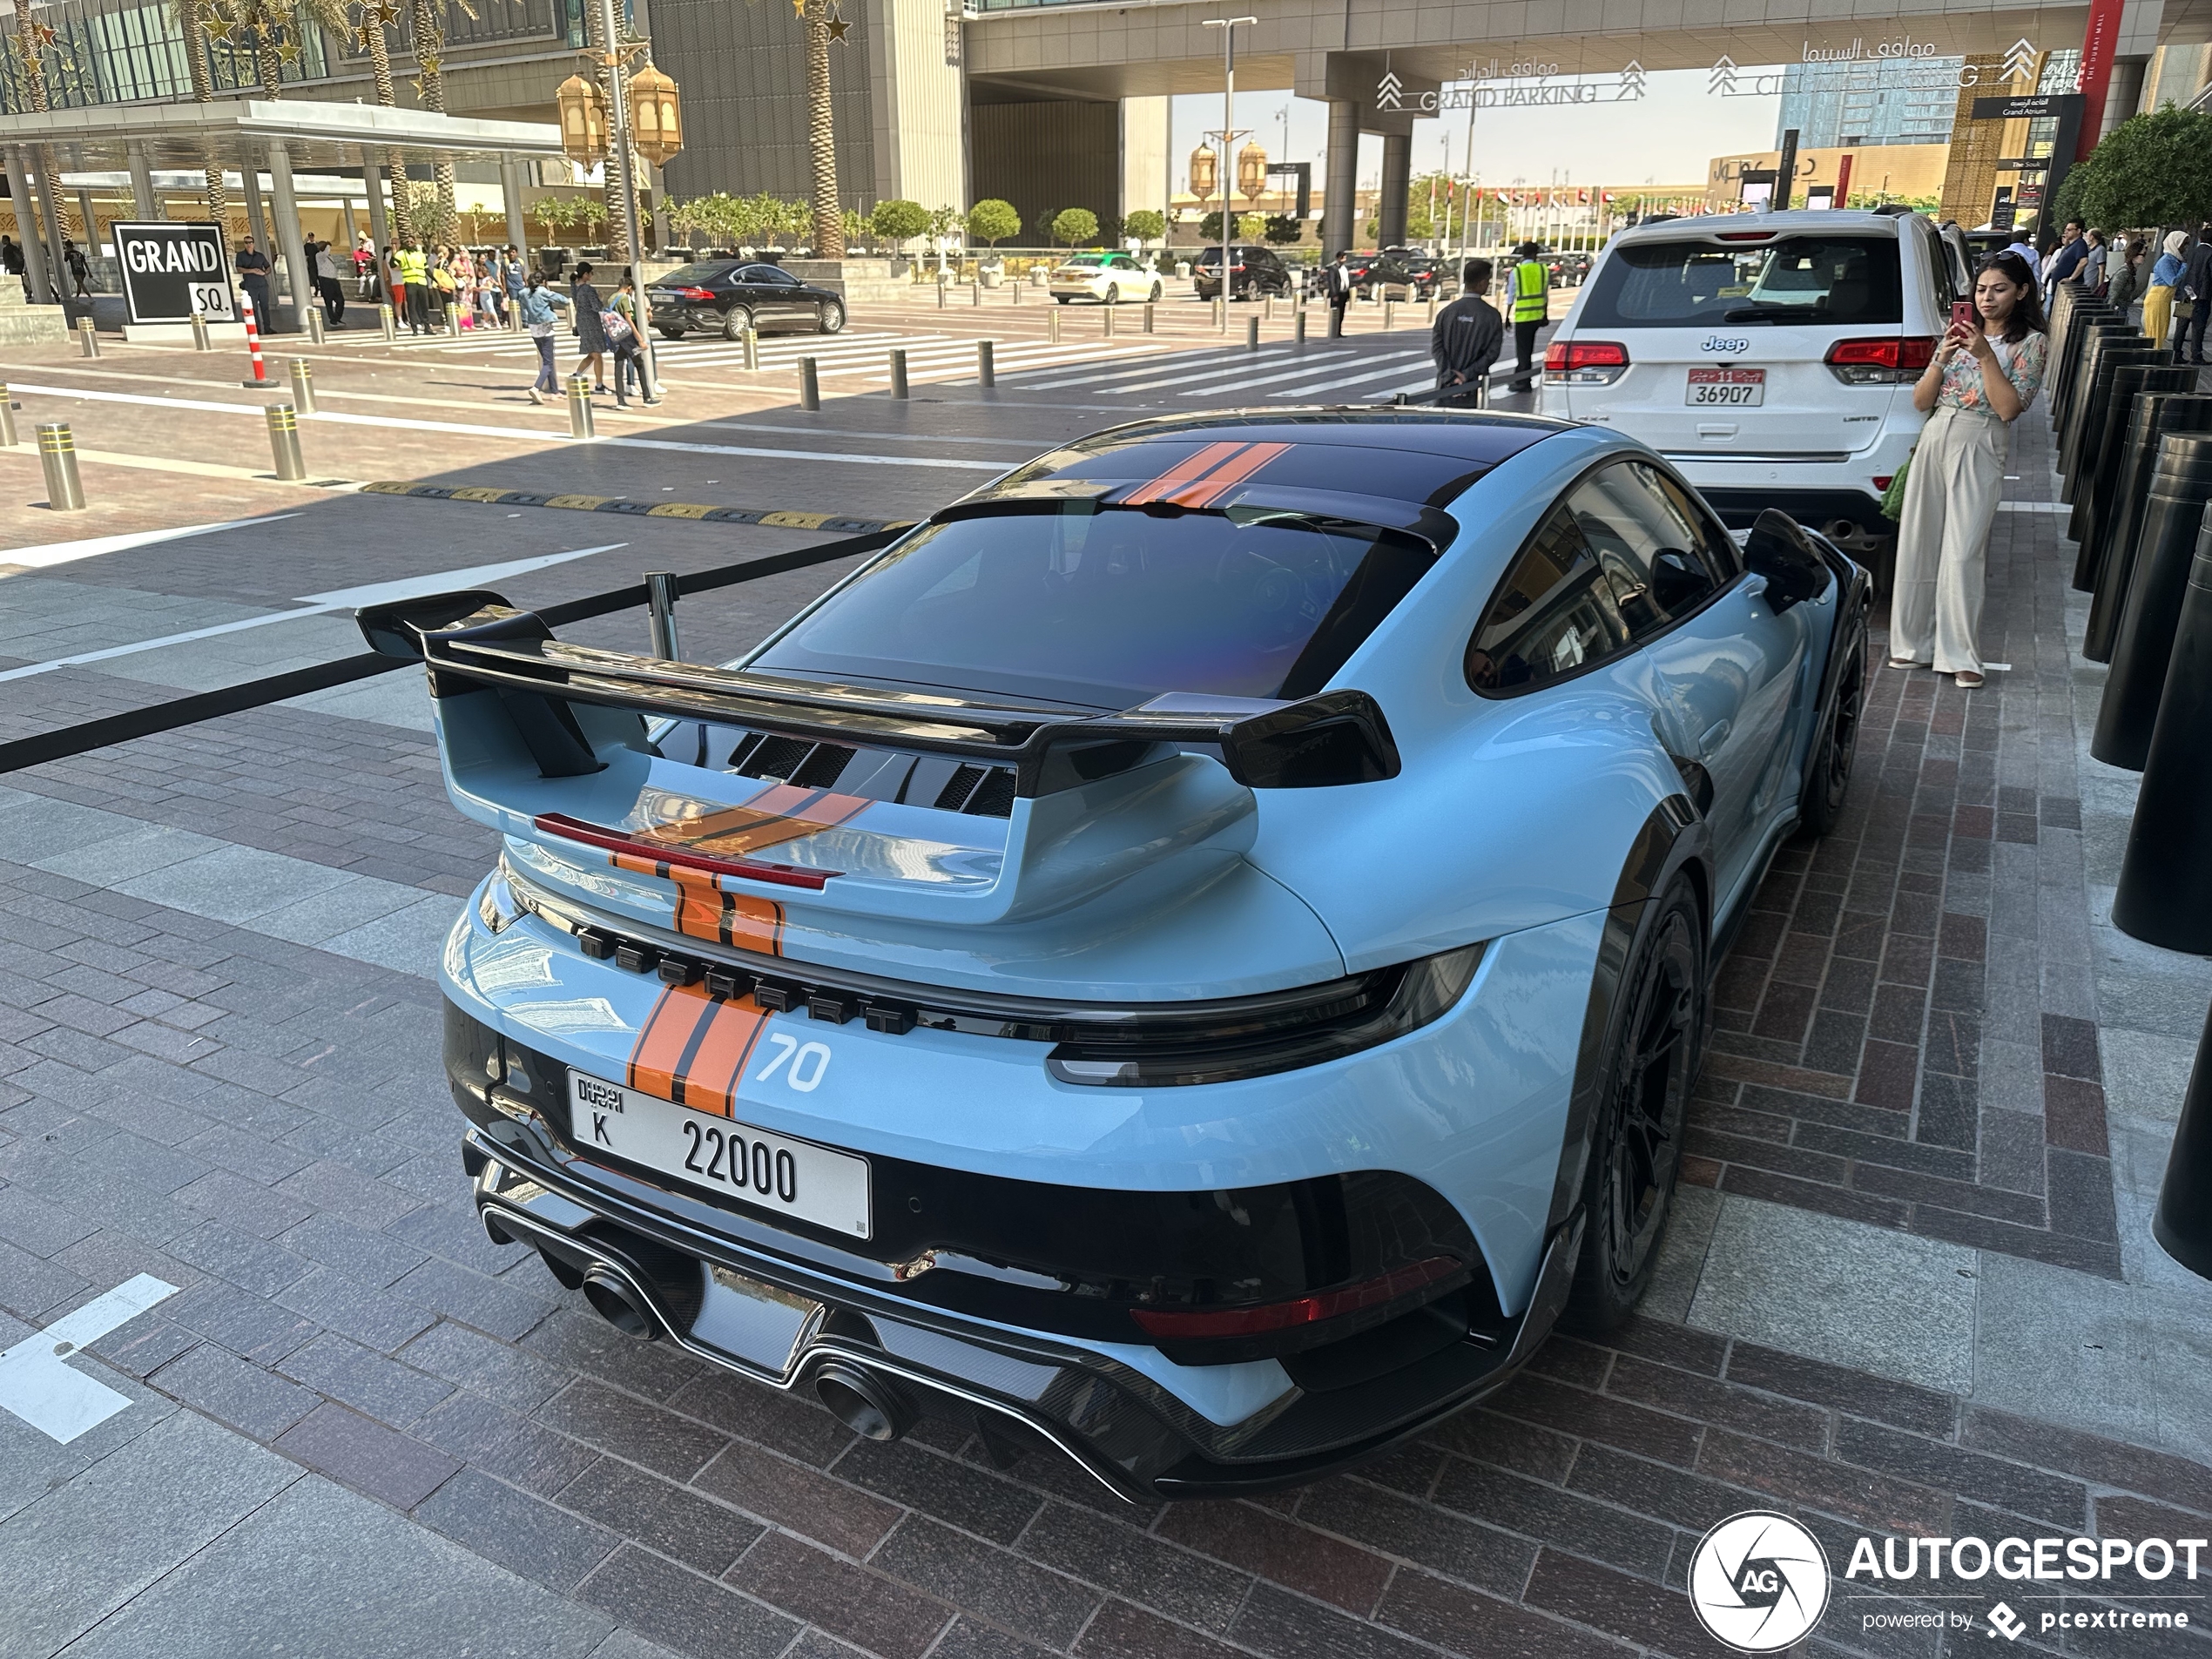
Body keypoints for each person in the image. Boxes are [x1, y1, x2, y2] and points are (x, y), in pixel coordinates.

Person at [1891, 251, 2049, 691]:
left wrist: (1985, 357)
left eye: (1999, 289)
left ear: (2021, 292)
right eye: (1981, 289)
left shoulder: (2031, 342)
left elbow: (2009, 409)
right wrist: (1943, 355)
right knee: (1919, 539)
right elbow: (1921, 401)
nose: (1987, 298)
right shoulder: (1960, 333)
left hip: (1981, 437)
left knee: (1964, 551)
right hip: (1938, 430)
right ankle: (1911, 643)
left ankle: (1960, 654)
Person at [1430, 259, 1501, 408]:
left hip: (1445, 384)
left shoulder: (1446, 313)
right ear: (1482, 283)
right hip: (1474, 384)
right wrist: (1467, 374)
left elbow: (1437, 348)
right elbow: (1492, 353)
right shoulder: (1492, 315)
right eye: (1487, 280)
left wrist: (1449, 374)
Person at [604, 271, 660, 408]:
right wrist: (639, 337)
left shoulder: (611, 298)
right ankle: (647, 398)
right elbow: (628, 318)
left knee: (618, 365)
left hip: (616, 335)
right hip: (627, 336)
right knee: (639, 364)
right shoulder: (624, 298)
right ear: (629, 287)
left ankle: (620, 401)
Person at [518, 270, 570, 404]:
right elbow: (563, 300)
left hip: (534, 329)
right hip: (546, 328)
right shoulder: (543, 292)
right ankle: (536, 387)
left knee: (548, 360)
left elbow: (523, 309)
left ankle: (555, 391)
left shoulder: (523, 293)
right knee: (548, 362)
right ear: (543, 281)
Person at [1507, 240, 1548, 392]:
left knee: (1523, 351)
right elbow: (1545, 294)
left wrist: (1506, 317)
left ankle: (1523, 382)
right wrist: (1545, 314)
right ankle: (1521, 378)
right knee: (1528, 349)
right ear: (1535, 254)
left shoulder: (1517, 272)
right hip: (1538, 316)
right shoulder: (1543, 269)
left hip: (1523, 318)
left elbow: (1511, 296)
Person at [2143, 230, 2189, 348]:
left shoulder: (2175, 260)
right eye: (2183, 244)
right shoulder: (2166, 261)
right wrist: (2184, 267)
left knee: (2162, 329)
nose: (2185, 248)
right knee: (2156, 330)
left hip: (2164, 299)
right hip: (2158, 298)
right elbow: (2172, 281)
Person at [570, 260, 609, 392]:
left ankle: (577, 375)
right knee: (597, 353)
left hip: (582, 322)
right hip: (592, 323)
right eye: (591, 273)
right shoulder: (588, 289)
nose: (592, 275)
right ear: (586, 274)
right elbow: (597, 307)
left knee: (593, 353)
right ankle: (599, 384)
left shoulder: (575, 288)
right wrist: (601, 298)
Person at [2179, 223, 2212, 366]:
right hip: (2202, 296)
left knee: (2182, 324)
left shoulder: (2193, 251)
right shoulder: (2210, 253)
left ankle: (2176, 352)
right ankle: (2196, 355)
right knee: (2198, 327)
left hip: (2186, 293)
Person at [2042, 218, 2087, 302]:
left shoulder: (2080, 244)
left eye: (2069, 230)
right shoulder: (2071, 245)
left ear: (2078, 231)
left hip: (2067, 290)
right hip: (2059, 288)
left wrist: (2071, 278)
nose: (2066, 232)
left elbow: (2083, 261)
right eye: (2065, 230)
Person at [235, 236, 273, 327]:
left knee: (265, 307)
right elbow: (239, 269)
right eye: (246, 242)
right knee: (254, 308)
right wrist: (252, 271)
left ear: (253, 243)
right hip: (250, 285)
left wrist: (264, 273)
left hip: (262, 285)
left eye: (250, 242)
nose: (249, 244)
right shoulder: (241, 255)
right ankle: (257, 328)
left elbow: (268, 267)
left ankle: (267, 327)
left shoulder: (260, 255)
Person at [395, 240, 428, 333]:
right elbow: (392, 265)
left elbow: (427, 269)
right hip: (409, 282)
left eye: (411, 241)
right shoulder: (401, 254)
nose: (409, 243)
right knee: (411, 305)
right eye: (407, 242)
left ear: (415, 243)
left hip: (422, 282)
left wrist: (436, 280)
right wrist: (395, 253)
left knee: (424, 306)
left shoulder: (420, 254)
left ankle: (427, 327)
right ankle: (414, 328)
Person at [2108, 234, 2146, 316]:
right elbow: (2113, 293)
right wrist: (2109, 313)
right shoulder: (2124, 272)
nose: (2144, 257)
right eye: (2142, 254)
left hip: (2122, 308)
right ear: (2134, 256)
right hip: (2118, 310)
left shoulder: (2130, 272)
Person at [1320, 251, 1353, 334]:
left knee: (1341, 313)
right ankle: (1333, 331)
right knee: (1335, 313)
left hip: (1344, 293)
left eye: (1345, 258)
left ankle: (1339, 331)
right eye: (1343, 258)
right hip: (1337, 294)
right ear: (1338, 258)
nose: (1344, 260)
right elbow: (1332, 282)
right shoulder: (1333, 269)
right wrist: (1334, 294)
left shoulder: (1344, 268)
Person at [2080, 228, 2107, 294]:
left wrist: (2099, 286)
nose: (2086, 237)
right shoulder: (2088, 249)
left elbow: (2101, 269)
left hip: (2092, 284)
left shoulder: (2100, 249)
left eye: (2087, 235)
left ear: (2092, 237)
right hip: (2085, 282)